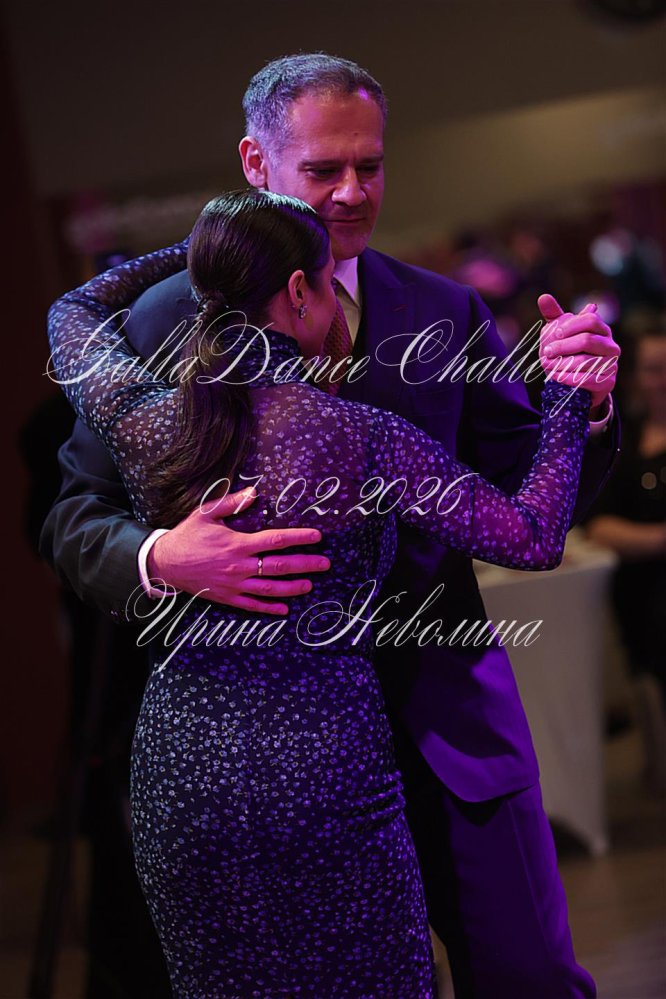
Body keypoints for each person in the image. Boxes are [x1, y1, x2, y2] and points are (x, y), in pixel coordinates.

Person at [40, 55, 621, 997]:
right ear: (256, 164)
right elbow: (74, 516)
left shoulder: (443, 308)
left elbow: (526, 487)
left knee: (529, 975)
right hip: (247, 757)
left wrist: (583, 404)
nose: (353, 191)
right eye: (322, 169)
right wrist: (160, 555)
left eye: (371, 165)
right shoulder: (159, 321)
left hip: (445, 721)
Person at [585, 323, 666, 792]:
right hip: (639, 590)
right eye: (653, 369)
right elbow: (600, 525)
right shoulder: (624, 440)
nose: (661, 379)